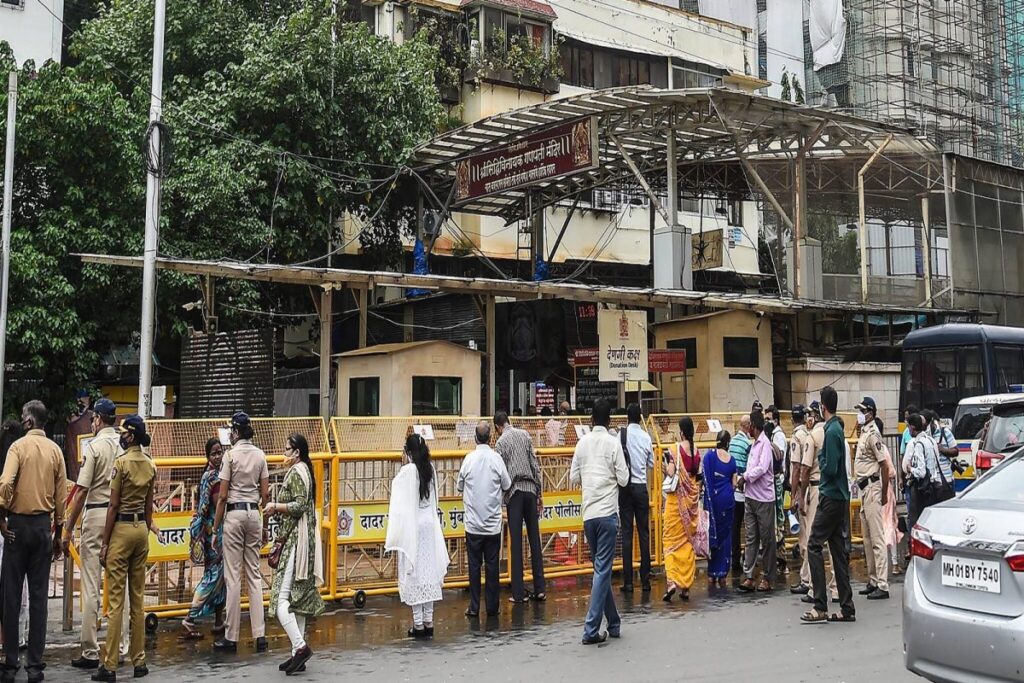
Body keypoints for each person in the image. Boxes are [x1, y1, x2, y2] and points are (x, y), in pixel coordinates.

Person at [0, 401, 66, 683]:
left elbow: (5, 483)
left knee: (11, 597)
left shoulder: (17, 448)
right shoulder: (55, 451)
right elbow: (61, 496)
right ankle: (35, 667)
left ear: (27, 422)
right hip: (42, 528)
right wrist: (59, 533)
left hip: (17, 527)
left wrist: (1, 519)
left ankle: (11, 663)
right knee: (39, 599)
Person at [63, 398, 130, 668]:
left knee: (92, 584)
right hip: (120, 518)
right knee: (119, 586)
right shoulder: (125, 446)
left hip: (96, 515)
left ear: (99, 420)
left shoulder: (96, 447)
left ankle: (90, 650)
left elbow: (80, 491)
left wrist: (67, 528)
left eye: (93, 419)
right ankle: (122, 648)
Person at [92, 415, 156, 682]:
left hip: (120, 531)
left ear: (130, 436)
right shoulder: (150, 465)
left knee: (116, 602)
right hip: (141, 530)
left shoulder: (121, 464)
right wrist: (150, 526)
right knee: (138, 600)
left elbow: (113, 506)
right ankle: (139, 661)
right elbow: (149, 507)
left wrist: (105, 542)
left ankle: (109, 665)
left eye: (124, 433)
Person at [570, 398, 628, 645]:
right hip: (607, 514)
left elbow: (573, 477)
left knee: (600, 570)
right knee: (602, 571)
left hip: (589, 516)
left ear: (591, 419)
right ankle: (591, 629)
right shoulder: (613, 444)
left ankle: (613, 623)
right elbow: (624, 479)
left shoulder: (582, 444)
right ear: (610, 420)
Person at [266, 434, 324, 675]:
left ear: (297, 452)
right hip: (303, 540)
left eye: (287, 449)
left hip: (296, 541)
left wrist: (275, 507)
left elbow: (299, 506)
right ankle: (295, 653)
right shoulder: (305, 471)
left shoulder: (297, 472)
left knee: (281, 599)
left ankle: (300, 647)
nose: (284, 453)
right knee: (297, 599)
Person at [213, 412, 270, 653]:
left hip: (234, 515)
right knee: (254, 575)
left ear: (236, 432)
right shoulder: (260, 455)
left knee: (234, 577)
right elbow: (265, 494)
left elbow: (223, 495)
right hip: (254, 514)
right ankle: (260, 634)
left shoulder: (230, 456)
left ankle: (232, 635)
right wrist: (265, 525)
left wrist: (216, 527)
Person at [801, 386, 855, 624]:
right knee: (836, 550)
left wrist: (821, 458)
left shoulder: (831, 431)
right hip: (838, 497)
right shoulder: (837, 429)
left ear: (823, 406)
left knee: (813, 544)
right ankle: (846, 605)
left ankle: (820, 604)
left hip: (830, 496)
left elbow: (830, 467)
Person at [386, 434, 449, 638]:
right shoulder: (430, 469)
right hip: (429, 524)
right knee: (428, 571)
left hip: (414, 526)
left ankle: (418, 624)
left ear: (409, 452)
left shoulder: (408, 471)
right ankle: (429, 620)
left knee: (414, 571)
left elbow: (399, 497)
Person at [458, 422, 511, 619]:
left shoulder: (468, 459)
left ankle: (473, 607)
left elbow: (460, 485)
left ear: (475, 437)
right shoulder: (496, 460)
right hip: (492, 524)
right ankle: (492, 607)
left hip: (473, 524)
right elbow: (506, 484)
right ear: (491, 438)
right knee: (492, 566)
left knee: (474, 566)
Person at [493, 412, 546, 603]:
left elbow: (499, 472)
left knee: (515, 543)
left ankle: (518, 593)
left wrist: (502, 497)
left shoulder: (501, 443)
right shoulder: (525, 435)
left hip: (514, 492)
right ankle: (540, 588)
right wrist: (539, 493)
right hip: (531, 490)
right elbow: (535, 465)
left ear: (498, 427)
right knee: (534, 540)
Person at [791, 402, 838, 603]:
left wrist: (799, 496)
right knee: (834, 541)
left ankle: (813, 588)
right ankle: (836, 588)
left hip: (816, 489)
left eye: (810, 414)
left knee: (812, 539)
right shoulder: (835, 434)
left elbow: (804, 469)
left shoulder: (813, 436)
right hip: (832, 490)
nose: (808, 418)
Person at [181, 438, 227, 639]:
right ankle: (190, 617)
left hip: (219, 530)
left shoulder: (220, 473)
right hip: (213, 532)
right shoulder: (211, 476)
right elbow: (211, 505)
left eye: (220, 452)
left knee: (221, 577)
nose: (218, 456)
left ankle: (219, 621)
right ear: (208, 456)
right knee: (213, 575)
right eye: (214, 453)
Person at [852, 398, 895, 601]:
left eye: (862, 411)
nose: (859, 414)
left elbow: (885, 466)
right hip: (863, 488)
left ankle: (883, 584)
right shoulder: (863, 433)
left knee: (877, 538)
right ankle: (873, 579)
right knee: (867, 538)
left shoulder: (873, 434)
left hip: (872, 487)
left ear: (870, 412)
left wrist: (884, 492)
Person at [737, 410, 777, 593]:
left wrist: (744, 477)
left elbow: (761, 468)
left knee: (767, 539)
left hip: (764, 498)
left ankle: (768, 576)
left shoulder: (765, 444)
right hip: (751, 497)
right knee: (751, 537)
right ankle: (749, 575)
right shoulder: (753, 445)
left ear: (753, 425)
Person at [662, 416, 700, 602]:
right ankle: (685, 586)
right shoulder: (697, 451)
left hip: (675, 503)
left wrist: (664, 467)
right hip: (691, 505)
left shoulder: (675, 449)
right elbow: (695, 476)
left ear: (682, 431)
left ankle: (671, 582)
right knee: (687, 543)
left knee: (669, 542)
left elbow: (671, 472)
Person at [617, 404, 653, 594]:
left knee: (627, 533)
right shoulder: (646, 437)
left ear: (626, 417)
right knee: (644, 533)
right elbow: (651, 463)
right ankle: (646, 580)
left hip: (624, 488)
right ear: (640, 417)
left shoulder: (620, 436)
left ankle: (628, 581)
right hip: (641, 488)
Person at [906, 413, 955, 529]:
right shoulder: (931, 441)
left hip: (923, 491)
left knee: (920, 523)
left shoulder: (919, 444)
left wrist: (910, 469)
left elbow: (921, 472)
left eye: (908, 427)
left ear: (912, 428)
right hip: (935, 487)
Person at [702, 430, 737, 588]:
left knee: (713, 533)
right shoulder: (732, 460)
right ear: (728, 443)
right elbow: (734, 483)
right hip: (728, 500)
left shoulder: (709, 457)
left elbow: (704, 480)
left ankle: (712, 574)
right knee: (725, 537)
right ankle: (723, 574)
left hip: (714, 501)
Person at [728, 415, 752, 574]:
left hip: (733, 489)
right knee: (749, 528)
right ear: (748, 426)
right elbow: (750, 466)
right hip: (743, 490)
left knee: (735, 527)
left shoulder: (732, 442)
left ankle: (734, 560)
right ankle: (748, 559)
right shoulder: (747, 444)